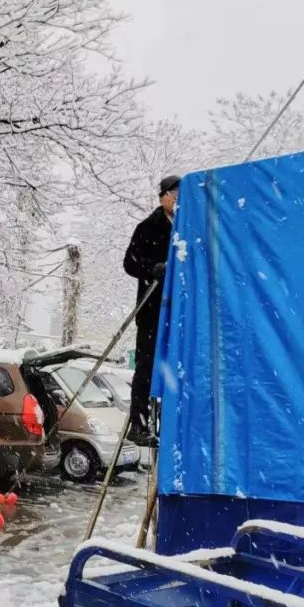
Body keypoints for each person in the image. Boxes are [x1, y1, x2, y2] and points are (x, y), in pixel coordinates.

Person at [123, 174, 179, 445]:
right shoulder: (148, 227)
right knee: (146, 366)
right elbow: (130, 263)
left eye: (181, 194)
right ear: (162, 197)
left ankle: (170, 423)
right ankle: (139, 423)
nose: (177, 198)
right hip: (152, 307)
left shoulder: (187, 227)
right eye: (173, 193)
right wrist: (153, 270)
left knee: (174, 367)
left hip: (179, 311)